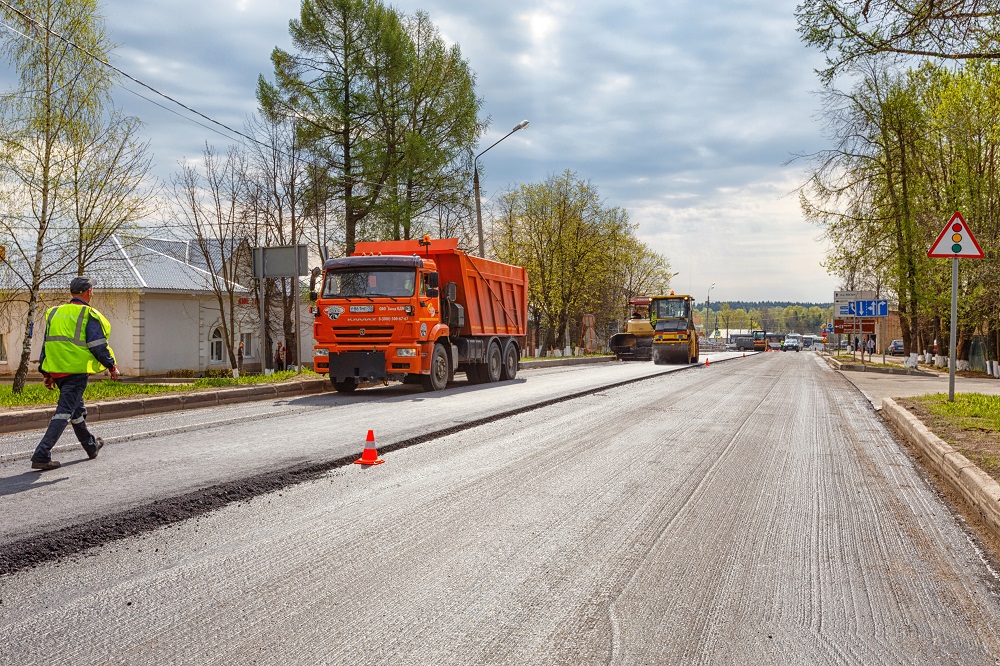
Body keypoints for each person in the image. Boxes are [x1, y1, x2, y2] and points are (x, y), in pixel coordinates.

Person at [30, 276, 119, 471]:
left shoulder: (54, 313)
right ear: (89, 292)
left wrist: (46, 372)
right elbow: (98, 346)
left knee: (76, 412)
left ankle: (91, 446)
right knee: (64, 413)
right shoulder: (88, 315)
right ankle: (41, 454)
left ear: (72, 293)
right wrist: (111, 367)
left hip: (58, 371)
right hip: (76, 372)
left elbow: (47, 344)